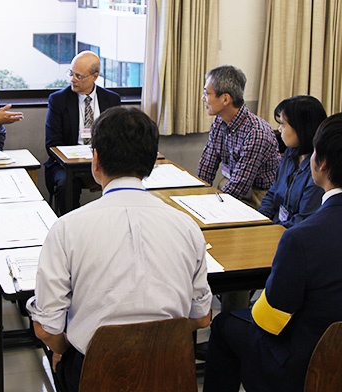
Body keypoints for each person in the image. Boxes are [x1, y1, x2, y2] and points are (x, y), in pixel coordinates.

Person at [204, 110, 342, 392]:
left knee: (226, 324)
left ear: (321, 164)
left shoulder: (301, 239)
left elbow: (268, 321)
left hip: (311, 370)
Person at [28, 106, 212, 392]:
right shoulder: (186, 226)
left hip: (95, 373)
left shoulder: (67, 229)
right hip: (169, 372)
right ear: (152, 162)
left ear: (96, 160)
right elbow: (201, 317)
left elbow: (46, 329)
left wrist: (65, 348)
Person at [44, 50, 121, 214]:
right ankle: (71, 228)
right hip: (67, 164)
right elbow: (52, 144)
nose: (72, 79)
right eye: (71, 73)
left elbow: (118, 137)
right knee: (65, 184)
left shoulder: (111, 99)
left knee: (127, 180)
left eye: (78, 76)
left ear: (94, 76)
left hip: (103, 161)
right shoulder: (58, 100)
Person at [197, 65, 281, 209]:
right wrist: (197, 195)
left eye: (207, 93)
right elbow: (207, 165)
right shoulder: (219, 121)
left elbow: (240, 185)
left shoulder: (256, 133)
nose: (203, 98)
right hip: (231, 183)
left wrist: (210, 207)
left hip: (260, 194)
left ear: (225, 99)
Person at [258, 95, 327, 228]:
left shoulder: (318, 169)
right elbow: (272, 194)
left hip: (294, 235)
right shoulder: (291, 153)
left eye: (283, 124)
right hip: (276, 226)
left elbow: (304, 219)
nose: (279, 129)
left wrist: (271, 231)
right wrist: (259, 221)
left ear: (301, 128)